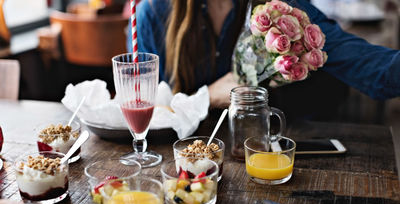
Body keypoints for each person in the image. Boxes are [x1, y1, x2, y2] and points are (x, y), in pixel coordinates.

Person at [128, 0, 400, 120]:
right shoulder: (152, 13)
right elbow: (144, 115)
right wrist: (208, 97)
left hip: (265, 160)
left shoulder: (283, 9)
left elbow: (368, 66)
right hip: (184, 170)